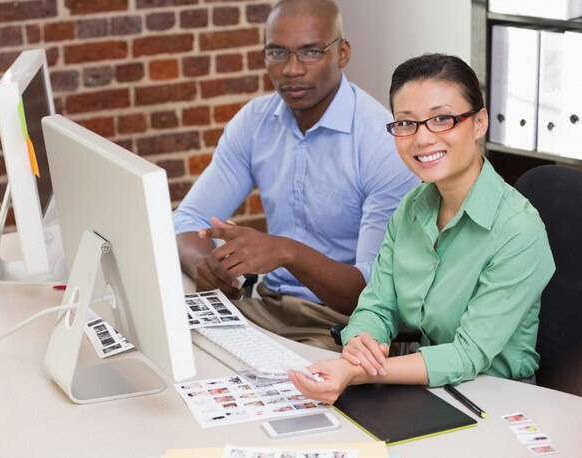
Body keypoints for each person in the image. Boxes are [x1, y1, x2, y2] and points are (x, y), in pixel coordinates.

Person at [288, 53, 556, 403]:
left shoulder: (518, 230)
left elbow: (466, 354)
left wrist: (358, 371)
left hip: (499, 401)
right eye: (405, 123)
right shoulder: (411, 208)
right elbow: (377, 307)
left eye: (442, 119)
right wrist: (360, 343)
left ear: (479, 123)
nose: (422, 138)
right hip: (429, 390)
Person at [173, 0, 419, 350]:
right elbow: (187, 218)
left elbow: (372, 291)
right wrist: (206, 267)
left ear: (343, 53)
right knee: (172, 347)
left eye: (310, 52)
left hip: (340, 324)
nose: (291, 69)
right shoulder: (255, 121)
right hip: (264, 307)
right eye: (277, 53)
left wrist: (288, 252)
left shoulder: (383, 144)